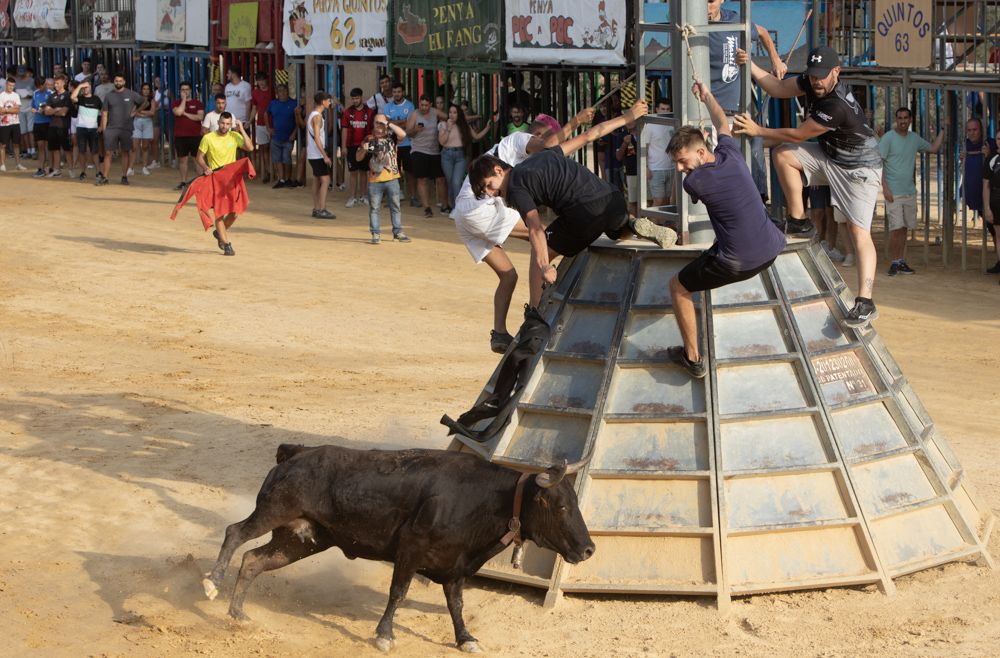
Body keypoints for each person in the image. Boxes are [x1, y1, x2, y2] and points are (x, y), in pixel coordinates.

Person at [453, 106, 634, 352]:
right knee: (546, 239)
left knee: (509, 275)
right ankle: (535, 317)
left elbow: (559, 145)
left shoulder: (500, 163)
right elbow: (550, 145)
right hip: (480, 211)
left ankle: (499, 332)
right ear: (534, 135)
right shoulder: (517, 144)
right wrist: (576, 121)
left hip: (462, 215)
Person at [467, 104, 677, 314]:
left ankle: (534, 314)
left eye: (489, 186)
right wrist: (627, 117)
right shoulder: (545, 155)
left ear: (498, 170)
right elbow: (589, 135)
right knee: (616, 231)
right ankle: (631, 223)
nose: (492, 194)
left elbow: (535, 229)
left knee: (540, 249)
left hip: (583, 214)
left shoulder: (515, 187)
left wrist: (544, 266)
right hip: (612, 199)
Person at [735, 46, 883, 328]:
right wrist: (751, 64)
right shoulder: (810, 82)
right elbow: (778, 87)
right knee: (783, 154)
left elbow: (800, 132)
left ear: (836, 73)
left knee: (857, 231)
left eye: (822, 76)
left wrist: (759, 131)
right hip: (830, 156)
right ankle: (798, 221)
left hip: (859, 169)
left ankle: (865, 302)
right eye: (813, 75)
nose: (816, 81)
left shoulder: (835, 105)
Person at [666, 81, 786, 378]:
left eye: (682, 161)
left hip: (738, 262)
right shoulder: (730, 153)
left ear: (700, 151)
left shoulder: (694, 182)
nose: (681, 169)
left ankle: (692, 357)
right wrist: (707, 95)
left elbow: (694, 184)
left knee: (678, 286)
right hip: (773, 247)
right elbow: (722, 121)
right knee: (717, 250)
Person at [708, 0, 784, 200]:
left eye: (710, 2)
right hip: (709, 115)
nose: (706, 7)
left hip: (739, 112)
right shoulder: (695, 28)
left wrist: (775, 59)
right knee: (711, 171)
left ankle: (758, 205)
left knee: (750, 168)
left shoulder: (734, 20)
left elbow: (762, 32)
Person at [878, 107, 944, 276]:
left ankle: (900, 261)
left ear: (910, 119)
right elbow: (879, 163)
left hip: (909, 192)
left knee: (904, 228)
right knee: (896, 228)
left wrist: (943, 129)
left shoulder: (914, 138)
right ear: (896, 119)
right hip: (893, 192)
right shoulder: (888, 138)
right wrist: (885, 187)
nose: (902, 121)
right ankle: (895, 261)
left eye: (905, 118)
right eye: (900, 117)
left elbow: (933, 148)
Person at [195, 111, 255, 256]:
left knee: (235, 213)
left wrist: (241, 129)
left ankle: (219, 233)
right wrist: (205, 168)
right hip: (216, 180)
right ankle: (226, 244)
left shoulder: (234, 136)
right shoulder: (208, 138)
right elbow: (199, 157)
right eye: (222, 123)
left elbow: (250, 148)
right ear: (218, 122)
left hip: (232, 180)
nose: (224, 126)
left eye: (228, 124)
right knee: (219, 213)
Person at [358, 114, 411, 244]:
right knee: (374, 208)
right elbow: (358, 158)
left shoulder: (391, 137)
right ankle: (375, 234)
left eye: (381, 123)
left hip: (392, 178)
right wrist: (363, 151)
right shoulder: (369, 139)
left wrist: (389, 123)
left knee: (395, 207)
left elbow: (403, 135)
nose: (379, 125)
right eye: (377, 122)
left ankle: (397, 232)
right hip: (375, 180)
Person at [438, 103, 490, 213]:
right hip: (447, 155)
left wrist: (487, 128)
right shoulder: (443, 124)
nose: (452, 115)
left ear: (459, 114)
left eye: (455, 113)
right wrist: (448, 128)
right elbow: (442, 142)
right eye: (450, 112)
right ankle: (453, 206)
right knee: (451, 181)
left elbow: (476, 137)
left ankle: (458, 208)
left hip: (460, 155)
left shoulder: (464, 125)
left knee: (456, 182)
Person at [98, 73, 143, 186]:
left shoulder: (131, 94)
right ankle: (105, 177)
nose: (118, 83)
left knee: (125, 152)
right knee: (107, 153)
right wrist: (104, 129)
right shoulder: (109, 96)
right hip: (111, 128)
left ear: (124, 82)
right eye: (116, 81)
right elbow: (104, 113)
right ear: (114, 82)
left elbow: (144, 102)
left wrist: (136, 111)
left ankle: (124, 176)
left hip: (126, 128)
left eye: (120, 81)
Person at [406, 95, 444, 218]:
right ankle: (427, 207)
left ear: (430, 104)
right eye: (421, 105)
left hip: (434, 151)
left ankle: (445, 205)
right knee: (422, 179)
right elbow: (408, 133)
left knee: (440, 179)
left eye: (426, 105)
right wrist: (416, 130)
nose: (423, 107)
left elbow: (449, 118)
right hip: (418, 150)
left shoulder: (435, 112)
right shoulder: (414, 115)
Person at [384, 81, 416, 206]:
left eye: (398, 91)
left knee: (410, 172)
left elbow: (409, 124)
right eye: (394, 92)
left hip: (407, 143)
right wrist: (401, 121)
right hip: (392, 144)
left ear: (403, 92)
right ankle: (395, 197)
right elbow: (386, 123)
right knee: (393, 172)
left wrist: (393, 122)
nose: (396, 94)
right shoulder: (388, 107)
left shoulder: (410, 105)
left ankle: (413, 197)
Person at [341, 87, 374, 207]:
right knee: (353, 172)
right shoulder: (347, 112)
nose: (355, 100)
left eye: (357, 98)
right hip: (351, 146)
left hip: (365, 146)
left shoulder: (369, 112)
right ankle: (352, 197)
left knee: (364, 171)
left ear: (361, 97)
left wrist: (371, 146)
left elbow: (372, 131)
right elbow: (344, 130)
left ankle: (364, 196)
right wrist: (344, 147)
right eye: (353, 98)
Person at [171, 80, 205, 190]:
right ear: (179, 91)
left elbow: (199, 117)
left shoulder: (198, 103)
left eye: (187, 89)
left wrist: (185, 113)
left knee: (198, 159)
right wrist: (184, 100)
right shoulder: (176, 103)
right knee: (183, 160)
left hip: (195, 135)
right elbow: (178, 112)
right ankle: (183, 182)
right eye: (182, 90)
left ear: (190, 90)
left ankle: (201, 182)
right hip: (180, 136)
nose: (185, 91)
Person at [307, 91, 336, 219]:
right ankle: (321, 209)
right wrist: (325, 155)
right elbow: (317, 139)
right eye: (328, 100)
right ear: (323, 102)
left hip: (313, 154)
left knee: (317, 179)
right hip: (318, 154)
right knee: (326, 180)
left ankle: (316, 208)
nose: (329, 103)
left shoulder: (313, 115)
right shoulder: (317, 117)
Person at [267, 83, 298, 189]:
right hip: (276, 137)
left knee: (287, 159)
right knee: (277, 159)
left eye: (284, 90)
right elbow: (266, 114)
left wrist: (294, 133)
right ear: (277, 93)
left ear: (287, 91)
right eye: (280, 91)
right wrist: (268, 128)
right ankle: (281, 179)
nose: (282, 93)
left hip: (288, 137)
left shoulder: (294, 103)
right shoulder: (273, 103)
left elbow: (298, 120)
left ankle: (288, 179)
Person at [646, 99, 676, 207]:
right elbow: (645, 147)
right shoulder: (650, 125)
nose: (665, 111)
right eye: (663, 109)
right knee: (658, 202)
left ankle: (662, 224)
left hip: (671, 168)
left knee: (668, 202)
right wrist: (645, 167)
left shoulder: (673, 124)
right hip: (655, 169)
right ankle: (652, 224)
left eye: (668, 109)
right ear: (657, 109)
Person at [71, 78, 102, 180]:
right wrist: (80, 86)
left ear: (91, 87)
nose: (85, 89)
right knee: (82, 151)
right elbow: (72, 97)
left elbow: (103, 113)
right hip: (81, 128)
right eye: (84, 88)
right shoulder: (80, 98)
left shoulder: (97, 99)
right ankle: (83, 172)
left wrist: (101, 126)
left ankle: (98, 172)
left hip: (93, 129)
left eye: (87, 87)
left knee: (95, 151)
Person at [43, 75, 71, 178]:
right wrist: (56, 110)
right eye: (55, 83)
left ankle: (71, 169)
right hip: (53, 125)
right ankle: (56, 169)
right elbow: (46, 112)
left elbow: (64, 112)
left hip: (63, 126)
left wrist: (53, 110)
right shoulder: (52, 96)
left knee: (67, 149)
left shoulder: (67, 95)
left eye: (58, 83)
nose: (55, 85)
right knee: (55, 149)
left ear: (64, 83)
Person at [249, 71, 273, 183]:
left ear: (266, 80)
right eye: (259, 81)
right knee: (264, 149)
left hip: (273, 123)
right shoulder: (255, 93)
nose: (261, 83)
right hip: (260, 124)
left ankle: (273, 171)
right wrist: (250, 120)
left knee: (273, 149)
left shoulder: (272, 91)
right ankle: (268, 171)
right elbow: (254, 108)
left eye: (262, 80)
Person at [0, 76, 26, 172]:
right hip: (4, 124)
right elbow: (0, 111)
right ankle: (2, 164)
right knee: (3, 145)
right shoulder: (1, 96)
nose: (11, 87)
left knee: (16, 144)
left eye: (13, 86)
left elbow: (18, 109)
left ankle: (18, 164)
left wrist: (6, 110)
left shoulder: (16, 95)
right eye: (10, 85)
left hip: (15, 122)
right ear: (6, 85)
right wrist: (11, 110)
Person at [131, 82, 157, 176]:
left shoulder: (152, 101)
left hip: (147, 123)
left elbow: (152, 112)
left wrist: (140, 112)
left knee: (145, 146)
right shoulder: (137, 100)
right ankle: (131, 167)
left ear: (150, 91)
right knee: (134, 146)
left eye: (147, 89)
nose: (146, 91)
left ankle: (144, 167)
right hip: (137, 122)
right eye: (144, 89)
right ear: (141, 90)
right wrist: (145, 112)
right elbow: (132, 112)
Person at [30, 78, 53, 178]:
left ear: (45, 84)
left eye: (41, 85)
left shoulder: (51, 93)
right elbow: (32, 107)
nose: (40, 87)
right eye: (38, 86)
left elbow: (53, 108)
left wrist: (46, 111)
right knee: (40, 146)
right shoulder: (35, 93)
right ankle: (41, 168)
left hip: (48, 122)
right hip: (38, 122)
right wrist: (35, 110)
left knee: (49, 146)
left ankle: (51, 167)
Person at [15, 67, 35, 160]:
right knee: (24, 131)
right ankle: (28, 150)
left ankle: (33, 150)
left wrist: (30, 96)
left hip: (30, 108)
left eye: (23, 72)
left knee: (30, 130)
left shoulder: (31, 81)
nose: (21, 74)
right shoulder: (16, 81)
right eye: (19, 73)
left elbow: (36, 92)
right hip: (20, 109)